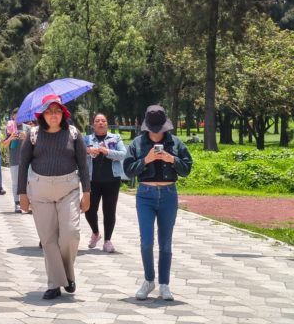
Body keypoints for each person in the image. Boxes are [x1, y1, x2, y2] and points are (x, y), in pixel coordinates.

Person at [17, 94, 90, 300]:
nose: (53, 115)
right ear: (42, 115)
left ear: (63, 113)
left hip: (68, 189)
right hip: (40, 191)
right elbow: (23, 165)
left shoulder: (73, 134)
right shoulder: (33, 134)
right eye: (49, 111)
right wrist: (22, 194)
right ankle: (54, 284)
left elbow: (84, 166)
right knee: (48, 239)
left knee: (70, 233)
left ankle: (66, 274)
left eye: (57, 111)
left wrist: (87, 193)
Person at [123, 105, 193, 302]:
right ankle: (148, 280)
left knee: (166, 243)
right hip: (145, 194)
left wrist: (172, 159)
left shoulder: (176, 143)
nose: (157, 132)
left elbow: (187, 169)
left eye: (159, 128)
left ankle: (164, 284)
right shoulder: (137, 144)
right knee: (146, 242)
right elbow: (128, 171)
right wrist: (146, 160)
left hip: (169, 195)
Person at [84, 113, 128, 252]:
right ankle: (96, 233)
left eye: (103, 120)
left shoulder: (115, 138)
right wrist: (87, 150)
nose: (100, 123)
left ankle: (107, 240)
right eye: (97, 121)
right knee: (89, 209)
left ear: (107, 124)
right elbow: (77, 153)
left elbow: (123, 154)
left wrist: (107, 151)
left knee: (109, 211)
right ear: (93, 124)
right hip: (92, 181)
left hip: (111, 180)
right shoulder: (87, 139)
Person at [4, 109, 25, 213]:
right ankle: (17, 203)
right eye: (16, 116)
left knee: (29, 182)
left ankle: (27, 203)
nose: (18, 118)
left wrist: (25, 137)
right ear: (13, 116)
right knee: (15, 183)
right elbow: (4, 145)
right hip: (15, 159)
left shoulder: (28, 128)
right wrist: (11, 137)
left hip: (27, 161)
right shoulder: (9, 128)